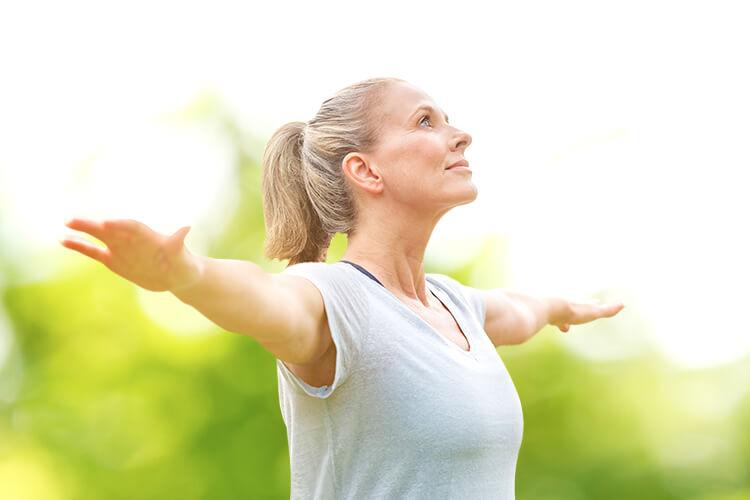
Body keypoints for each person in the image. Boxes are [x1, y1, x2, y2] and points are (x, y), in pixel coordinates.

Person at [59, 76, 625, 499]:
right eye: (426, 122)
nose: (460, 134)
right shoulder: (334, 301)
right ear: (366, 171)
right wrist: (186, 275)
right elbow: (261, 296)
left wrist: (559, 307)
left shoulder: (457, 306)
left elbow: (518, 311)